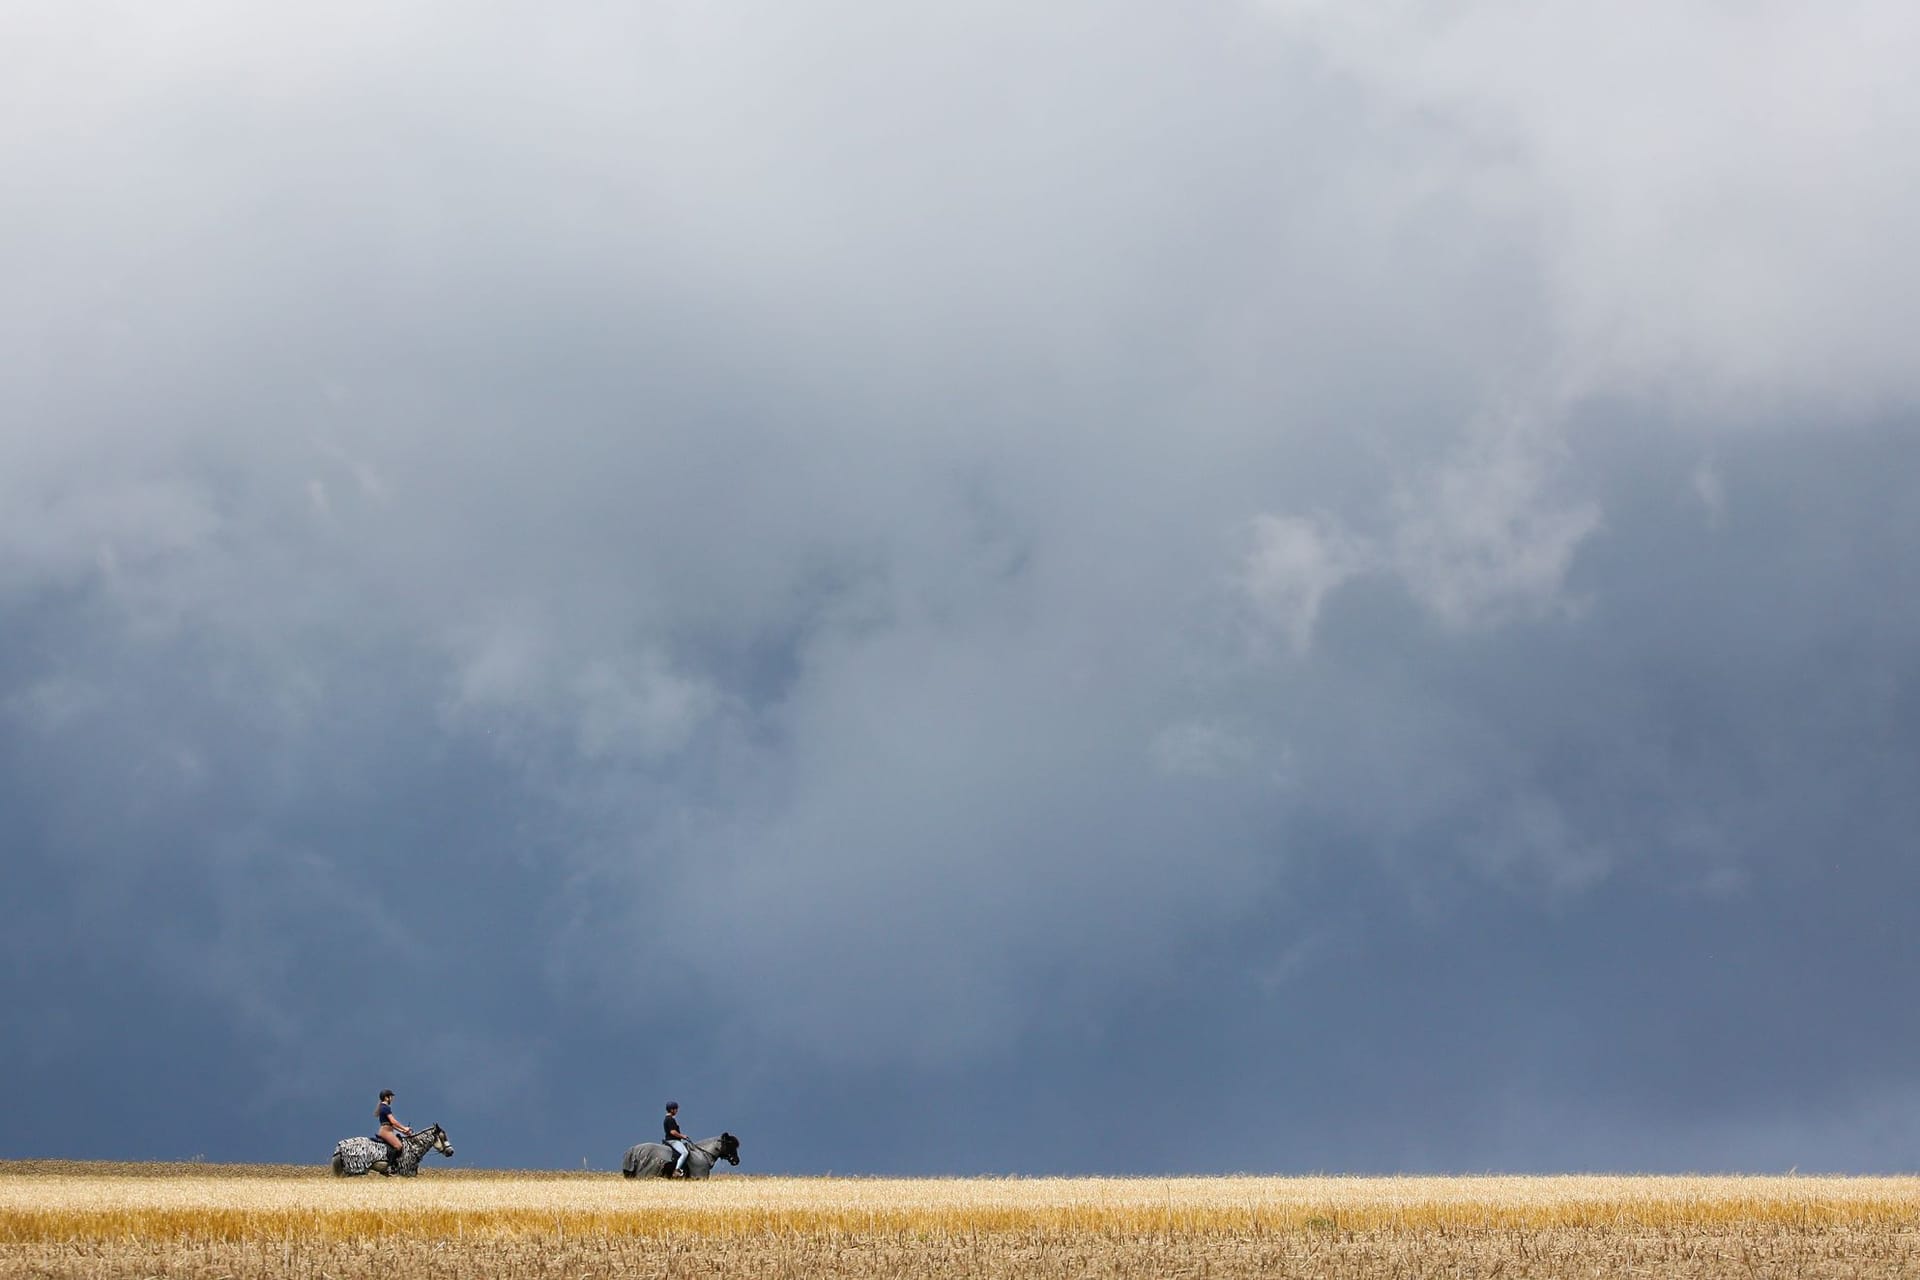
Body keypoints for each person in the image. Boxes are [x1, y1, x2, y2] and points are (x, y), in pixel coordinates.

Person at [376, 1090, 412, 1166]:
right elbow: (393, 1121)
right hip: (386, 1132)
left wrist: (402, 1131)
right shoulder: (385, 1108)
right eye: (391, 1096)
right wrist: (404, 1128)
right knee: (398, 1146)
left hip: (388, 1130)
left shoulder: (384, 1107)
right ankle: (389, 1166)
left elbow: (391, 1124)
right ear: (386, 1098)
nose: (392, 1098)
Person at [663, 1101, 689, 1176]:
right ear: (672, 1110)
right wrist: (682, 1136)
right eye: (676, 1109)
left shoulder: (667, 1119)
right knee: (685, 1153)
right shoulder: (670, 1119)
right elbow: (673, 1132)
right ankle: (677, 1170)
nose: (677, 1111)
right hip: (673, 1141)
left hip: (670, 1140)